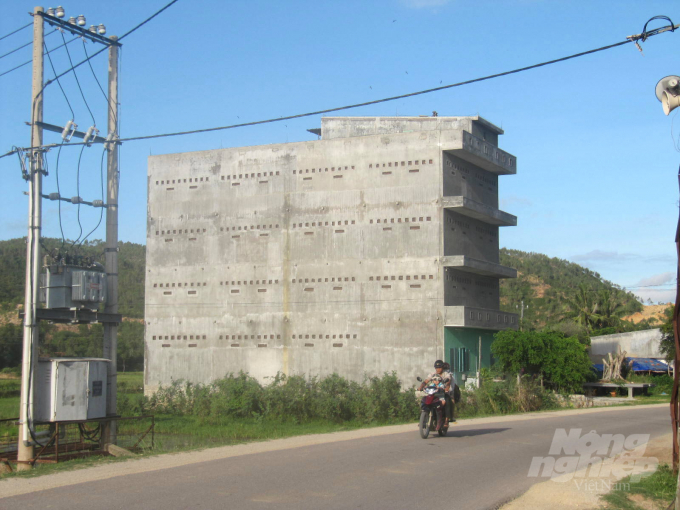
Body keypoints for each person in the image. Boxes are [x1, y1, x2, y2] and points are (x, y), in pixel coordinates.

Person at [418, 360, 450, 429]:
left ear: (442, 367)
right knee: (424, 401)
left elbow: (448, 383)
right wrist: (421, 387)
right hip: (433, 393)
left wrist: (446, 389)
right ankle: (422, 419)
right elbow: (426, 381)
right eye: (436, 368)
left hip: (442, 393)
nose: (438, 369)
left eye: (439, 367)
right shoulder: (432, 374)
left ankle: (446, 421)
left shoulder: (446, 374)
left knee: (447, 401)